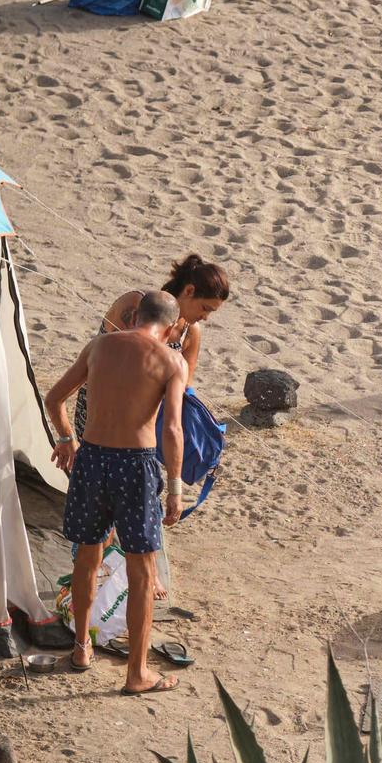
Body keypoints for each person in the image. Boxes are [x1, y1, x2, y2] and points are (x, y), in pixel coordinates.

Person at [45, 290, 187, 696]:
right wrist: (175, 488)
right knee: (142, 570)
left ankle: (81, 648)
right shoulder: (171, 361)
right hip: (135, 466)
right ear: (174, 325)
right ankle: (137, 673)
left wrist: (66, 439)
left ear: (136, 314)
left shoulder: (99, 345)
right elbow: (173, 429)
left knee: (87, 556)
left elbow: (54, 397)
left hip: (91, 459)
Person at [73, 254, 232, 439]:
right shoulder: (137, 305)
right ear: (189, 291)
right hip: (101, 408)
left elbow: (184, 387)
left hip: (146, 420)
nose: (205, 317)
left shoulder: (190, 331)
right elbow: (120, 364)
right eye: (205, 308)